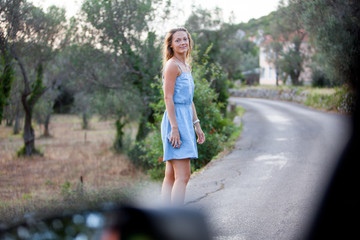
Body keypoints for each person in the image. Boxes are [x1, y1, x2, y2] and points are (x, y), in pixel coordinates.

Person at [160, 27, 205, 205]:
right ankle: (175, 219)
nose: (182, 43)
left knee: (170, 176)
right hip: (176, 122)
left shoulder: (185, 66)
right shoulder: (172, 65)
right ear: (171, 44)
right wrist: (175, 129)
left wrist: (197, 125)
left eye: (185, 39)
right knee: (183, 176)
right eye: (177, 40)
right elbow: (168, 97)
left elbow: (188, 100)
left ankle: (164, 218)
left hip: (186, 120)